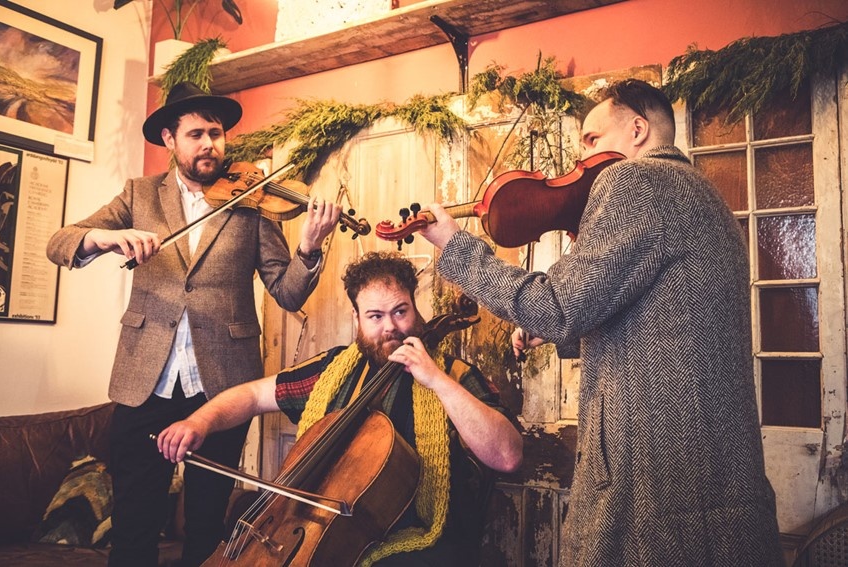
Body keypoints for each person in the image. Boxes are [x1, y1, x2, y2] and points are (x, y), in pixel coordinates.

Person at [416, 79, 783, 566]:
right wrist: (564, 326)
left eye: (591, 139)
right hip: (717, 483)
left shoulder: (635, 182)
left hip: (651, 489)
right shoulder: (708, 199)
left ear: (637, 129)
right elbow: (664, 320)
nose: (582, 159)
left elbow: (560, 306)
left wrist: (456, 247)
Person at [46, 82, 341, 567]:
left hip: (222, 386)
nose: (210, 144)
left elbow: (286, 292)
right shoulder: (139, 195)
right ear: (169, 139)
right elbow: (61, 243)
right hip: (145, 383)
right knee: (133, 529)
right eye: (197, 134)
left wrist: (309, 246)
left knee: (207, 529)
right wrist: (106, 237)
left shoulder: (250, 200)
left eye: (217, 133)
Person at [156, 251, 523, 566]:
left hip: (420, 544)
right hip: (322, 538)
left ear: (415, 308)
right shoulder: (333, 372)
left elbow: (507, 456)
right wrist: (199, 421)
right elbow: (253, 396)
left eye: (400, 311)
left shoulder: (454, 374)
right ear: (356, 320)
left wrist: (438, 382)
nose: (391, 328)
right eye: (375, 316)